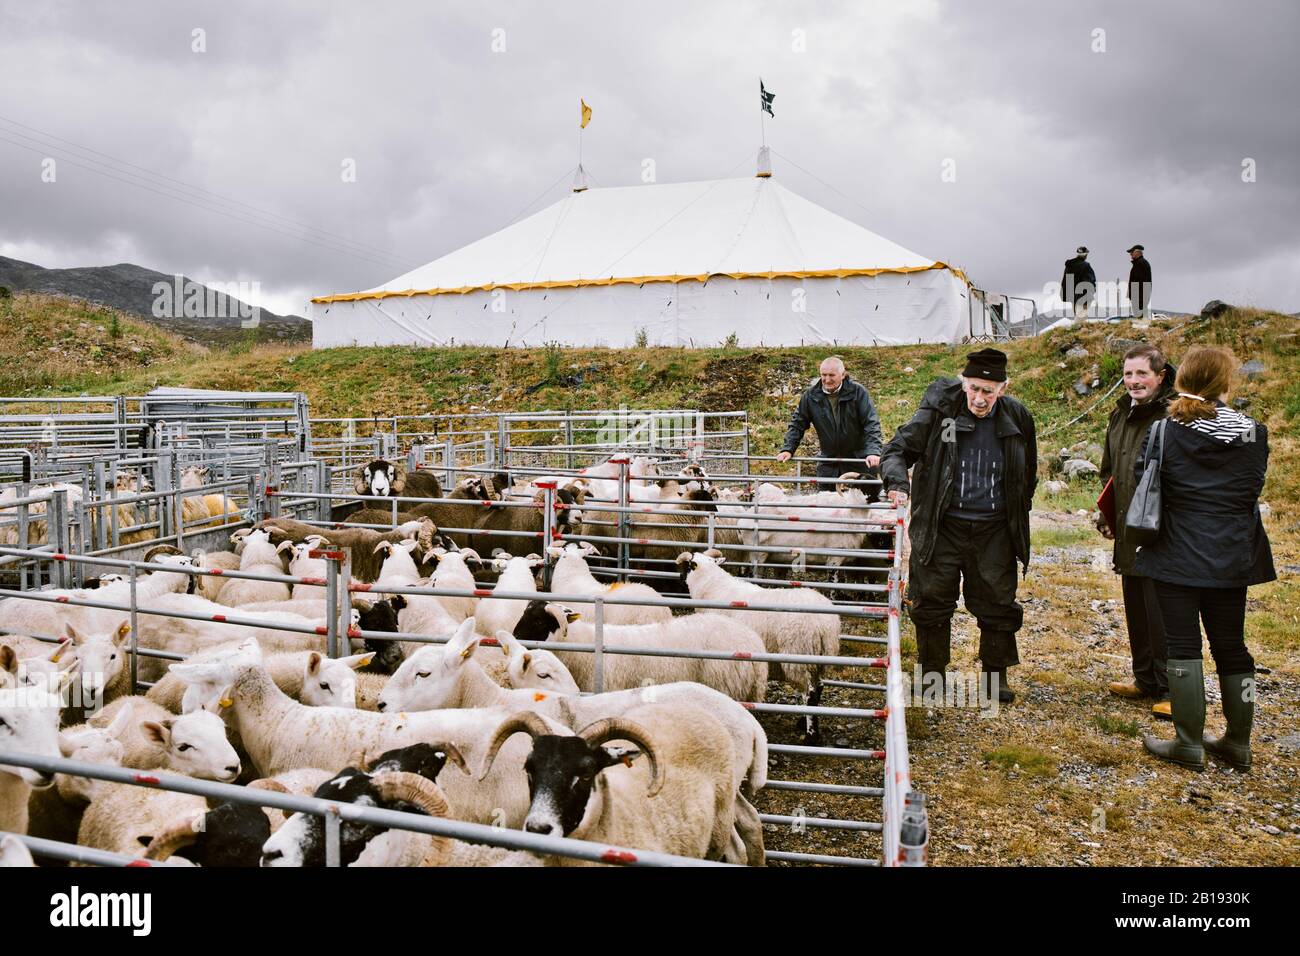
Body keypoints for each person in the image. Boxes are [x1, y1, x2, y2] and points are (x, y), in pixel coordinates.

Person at [1135, 346, 1274, 772]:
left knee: (1183, 647)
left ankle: (1189, 742)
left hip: (1176, 552)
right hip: (1232, 554)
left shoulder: (1164, 431)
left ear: (1180, 380)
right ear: (1226, 383)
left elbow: (1146, 479)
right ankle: (1238, 742)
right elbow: (1252, 489)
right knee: (1232, 647)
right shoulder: (1255, 432)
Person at [879, 348, 1037, 703]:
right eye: (974, 388)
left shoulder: (1018, 419)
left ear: (1004, 388)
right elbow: (897, 449)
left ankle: (995, 680)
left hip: (994, 530)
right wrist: (897, 484)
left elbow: (1028, 474)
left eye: (989, 391)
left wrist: (1014, 512)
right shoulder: (940, 414)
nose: (980, 399)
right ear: (964, 383)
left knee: (997, 603)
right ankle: (932, 679)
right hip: (942, 525)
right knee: (931, 602)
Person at [1098, 344, 1176, 711]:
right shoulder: (1119, 415)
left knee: (1162, 610)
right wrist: (1108, 514)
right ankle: (1145, 680)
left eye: (1141, 373)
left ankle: (1169, 691)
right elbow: (1110, 471)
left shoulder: (1174, 416)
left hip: (1163, 532)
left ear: (1160, 376)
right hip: (1129, 529)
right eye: (1128, 374)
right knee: (1136, 605)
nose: (1133, 381)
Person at [778, 356, 884, 479]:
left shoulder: (858, 392)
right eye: (824, 375)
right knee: (826, 498)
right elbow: (798, 424)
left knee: (863, 498)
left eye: (832, 375)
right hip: (828, 464)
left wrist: (873, 452)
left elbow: (871, 423)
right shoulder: (810, 396)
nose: (827, 380)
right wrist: (788, 449)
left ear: (843, 374)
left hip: (859, 462)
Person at [1061, 246, 1097, 319]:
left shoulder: (1069, 266)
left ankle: (1076, 329)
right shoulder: (1085, 266)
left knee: (1077, 316)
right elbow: (1089, 283)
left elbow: (1065, 282)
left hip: (1072, 297)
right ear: (1086, 255)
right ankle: (1077, 329)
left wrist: (1067, 296)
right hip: (1083, 297)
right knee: (1081, 318)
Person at [1128, 244, 1152, 318]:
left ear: (1137, 253)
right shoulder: (1139, 263)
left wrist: (1138, 297)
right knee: (1140, 318)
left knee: (1140, 318)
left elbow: (1140, 282)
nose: (1130, 255)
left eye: (1132, 252)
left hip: (1139, 298)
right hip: (1139, 297)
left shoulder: (1140, 264)